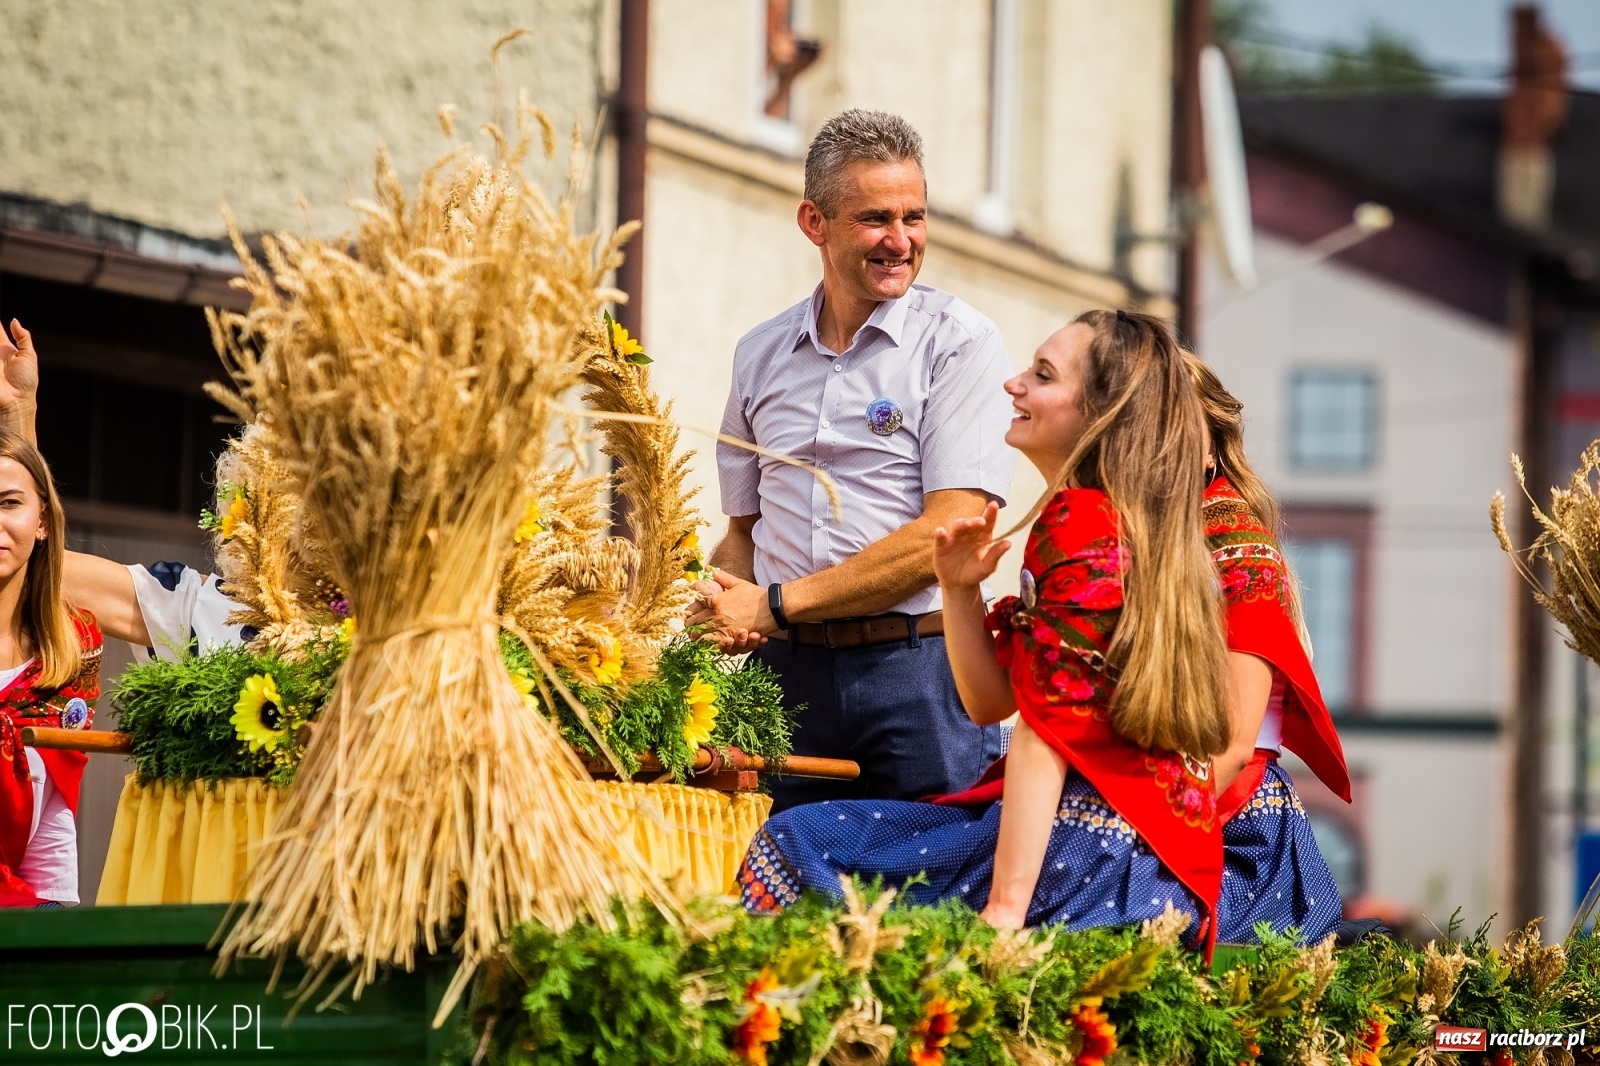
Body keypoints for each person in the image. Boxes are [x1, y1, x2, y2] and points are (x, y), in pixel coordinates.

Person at [740, 309, 1239, 945]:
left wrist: (1004, 911)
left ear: (1099, 413)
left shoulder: (1080, 523)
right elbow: (988, 704)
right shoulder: (1135, 523)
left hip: (1082, 856)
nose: (1013, 384)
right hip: (1149, 858)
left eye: (1043, 375)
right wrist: (958, 586)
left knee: (793, 838)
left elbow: (1043, 732)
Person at [689, 109, 1015, 810]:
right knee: (778, 891)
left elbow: (950, 532)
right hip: (785, 675)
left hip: (921, 672)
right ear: (815, 222)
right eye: (875, 219)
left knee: (939, 892)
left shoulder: (959, 343)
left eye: (915, 217)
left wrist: (774, 605)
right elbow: (745, 534)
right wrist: (722, 603)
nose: (901, 241)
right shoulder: (761, 353)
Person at [1191, 354, 1349, 942]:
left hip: (1222, 815)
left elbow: (1230, 747)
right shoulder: (1136, 535)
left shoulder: (1238, 553)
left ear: (1210, 449)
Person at [0, 432, 104, 907]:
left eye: (9, 503)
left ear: (41, 521)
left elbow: (51, 816)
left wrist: (56, 919)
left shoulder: (71, 647)